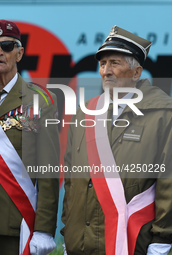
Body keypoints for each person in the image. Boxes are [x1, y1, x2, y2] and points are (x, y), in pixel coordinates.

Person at [61, 25, 172, 255]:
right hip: (80, 244)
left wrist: (162, 240)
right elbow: (71, 180)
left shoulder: (164, 114)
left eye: (115, 63)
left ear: (136, 72)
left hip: (132, 242)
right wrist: (68, 232)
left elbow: (168, 184)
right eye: (103, 64)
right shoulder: (84, 112)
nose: (106, 71)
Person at [0, 20, 60, 255]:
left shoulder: (39, 101)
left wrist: (44, 229)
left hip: (16, 223)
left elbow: (48, 171)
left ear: (19, 53)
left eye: (7, 46)